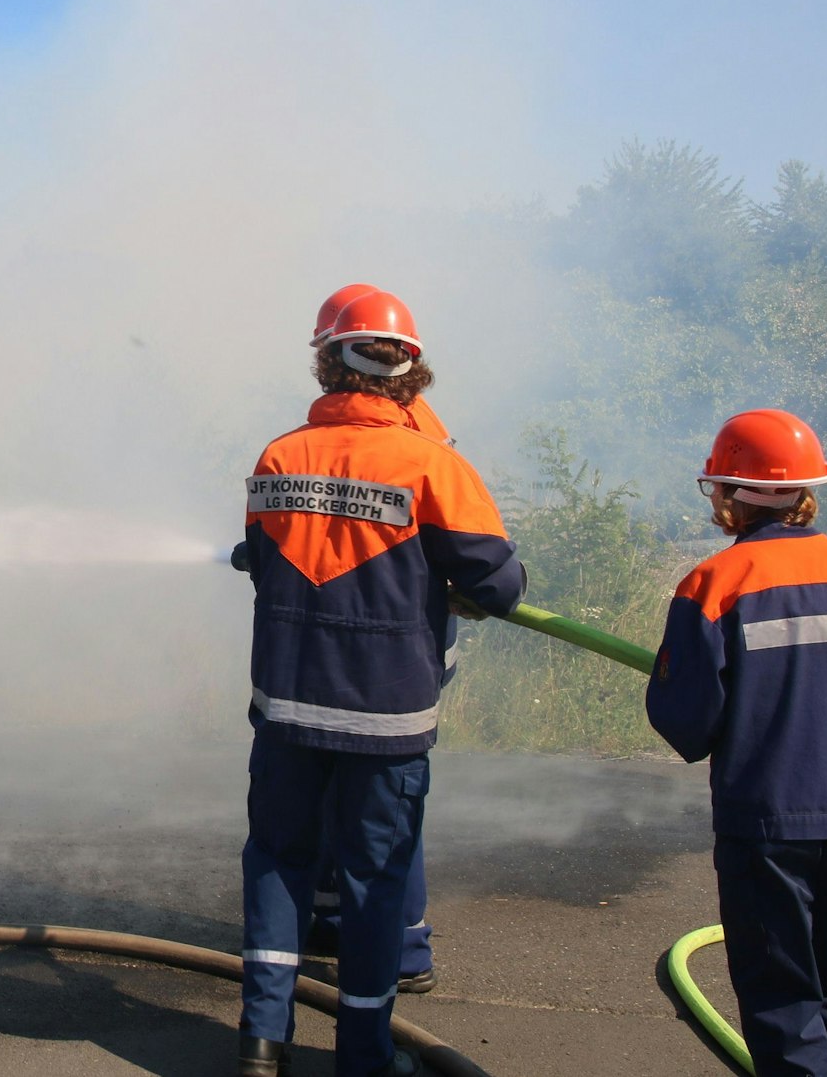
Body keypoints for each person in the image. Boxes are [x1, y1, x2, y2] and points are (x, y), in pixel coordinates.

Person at [234, 290, 524, 1077]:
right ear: (409, 370)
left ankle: (260, 1041)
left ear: (328, 359)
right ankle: (363, 1054)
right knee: (376, 883)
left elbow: (262, 556)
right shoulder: (433, 464)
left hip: (287, 705)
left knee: (278, 862)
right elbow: (499, 585)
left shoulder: (279, 455)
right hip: (384, 717)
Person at [646, 409, 827, 1077]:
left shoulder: (714, 585)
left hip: (767, 825)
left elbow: (686, 724)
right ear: (807, 490)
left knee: (779, 991)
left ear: (728, 494)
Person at [300, 284, 444, 993]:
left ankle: (403, 949)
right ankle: (335, 919)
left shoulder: (412, 443)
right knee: (355, 794)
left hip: (388, 647)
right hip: (376, 642)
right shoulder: (407, 428)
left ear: (330, 356)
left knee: (381, 808)